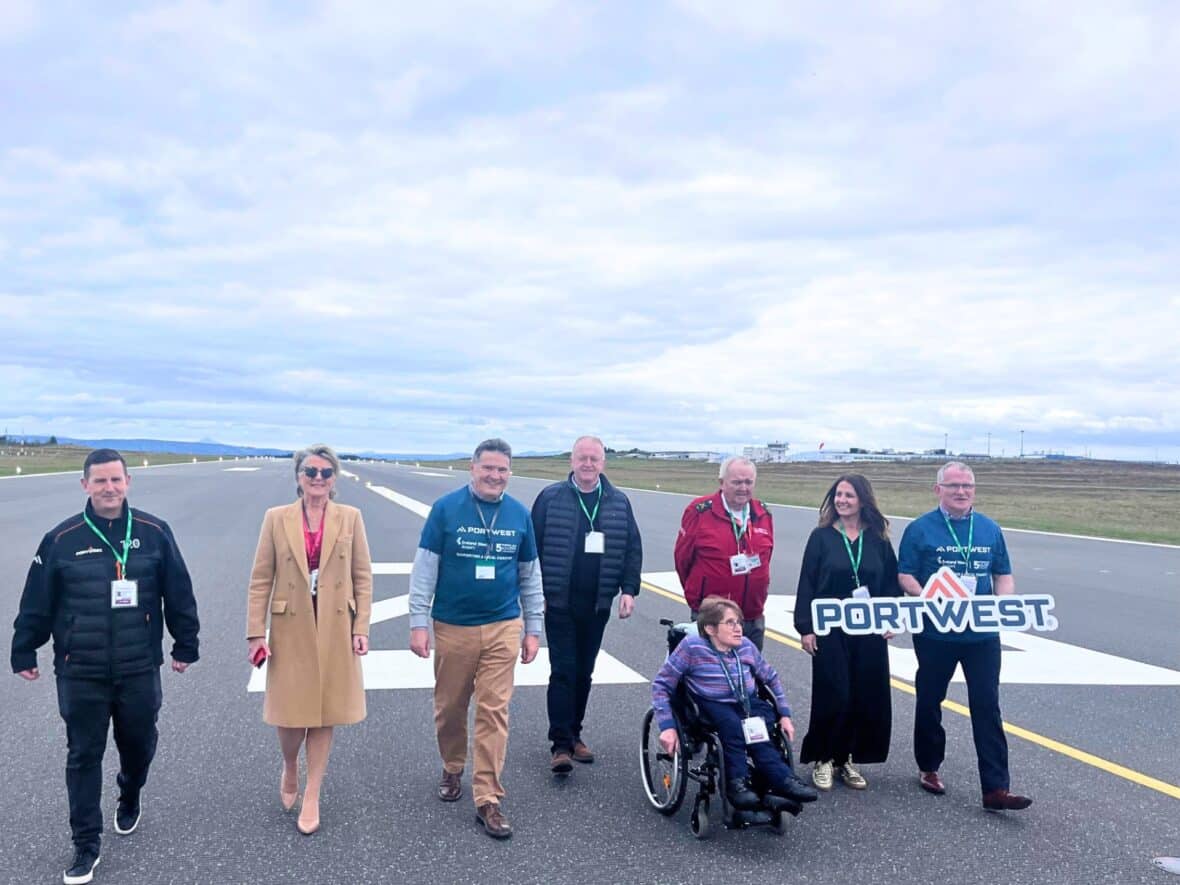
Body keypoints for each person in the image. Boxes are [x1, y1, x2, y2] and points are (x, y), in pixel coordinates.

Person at [10, 448, 200, 885]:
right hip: (80, 670)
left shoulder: (155, 532)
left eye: (116, 479)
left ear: (128, 482)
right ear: (85, 485)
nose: (109, 488)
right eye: (100, 481)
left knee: (140, 744)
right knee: (82, 754)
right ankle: (85, 844)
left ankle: (130, 791)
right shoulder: (61, 539)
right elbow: (36, 600)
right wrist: (24, 650)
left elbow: (179, 592)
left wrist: (185, 644)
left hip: (139, 667)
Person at [409, 438, 544, 839]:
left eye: (502, 469)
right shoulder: (446, 509)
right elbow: (425, 569)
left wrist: (533, 628)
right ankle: (453, 766)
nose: (494, 476)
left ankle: (488, 797)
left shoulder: (519, 514)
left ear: (509, 473)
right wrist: (418, 622)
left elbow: (529, 574)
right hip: (454, 626)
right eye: (488, 468)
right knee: (450, 707)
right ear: (473, 467)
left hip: (503, 625)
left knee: (494, 710)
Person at [245, 444, 372, 836]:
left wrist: (361, 627)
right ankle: (290, 766)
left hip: (335, 624)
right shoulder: (276, 518)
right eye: (311, 472)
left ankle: (312, 792)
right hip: (291, 625)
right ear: (298, 477)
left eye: (326, 473)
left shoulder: (350, 518)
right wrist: (255, 632)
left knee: (324, 711)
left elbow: (362, 576)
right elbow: (261, 578)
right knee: (290, 714)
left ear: (334, 479)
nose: (318, 478)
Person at [898, 461, 1032, 811]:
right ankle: (929, 766)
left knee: (987, 705)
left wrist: (1003, 604)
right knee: (930, 700)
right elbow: (906, 575)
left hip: (981, 635)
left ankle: (996, 788)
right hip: (936, 632)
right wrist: (929, 597)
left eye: (967, 486)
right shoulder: (920, 529)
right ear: (938, 489)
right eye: (954, 486)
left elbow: (1002, 574)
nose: (961, 492)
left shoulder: (989, 529)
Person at [532, 436, 643, 773]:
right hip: (559, 602)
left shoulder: (618, 501)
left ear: (603, 463)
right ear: (572, 460)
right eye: (582, 457)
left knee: (584, 672)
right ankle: (560, 745)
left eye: (594, 458)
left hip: (597, 604)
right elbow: (532, 549)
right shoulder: (550, 498)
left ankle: (575, 734)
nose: (588, 464)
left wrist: (629, 590)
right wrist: (535, 595)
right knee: (563, 671)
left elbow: (632, 549)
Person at [651, 596, 817, 811]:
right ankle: (736, 784)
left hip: (746, 702)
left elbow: (771, 678)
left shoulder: (746, 646)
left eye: (739, 622)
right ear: (710, 629)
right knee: (732, 726)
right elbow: (662, 685)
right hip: (711, 702)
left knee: (761, 731)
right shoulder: (692, 647)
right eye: (730, 623)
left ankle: (781, 781)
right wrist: (667, 727)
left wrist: (785, 714)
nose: (738, 628)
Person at [794, 474, 899, 792]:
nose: (842, 500)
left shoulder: (878, 539)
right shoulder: (821, 537)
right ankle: (823, 758)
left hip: (868, 628)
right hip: (831, 628)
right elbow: (807, 582)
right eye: (838, 494)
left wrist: (891, 619)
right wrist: (806, 627)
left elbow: (890, 584)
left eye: (849, 495)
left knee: (863, 693)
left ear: (863, 500)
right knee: (834, 691)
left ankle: (845, 758)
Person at [674, 457, 773, 650]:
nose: (743, 488)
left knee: (750, 668)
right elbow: (683, 560)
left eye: (748, 482)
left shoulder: (763, 514)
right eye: (736, 482)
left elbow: (766, 558)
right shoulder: (699, 511)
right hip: (713, 617)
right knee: (711, 668)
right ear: (722, 482)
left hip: (751, 616)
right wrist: (699, 595)